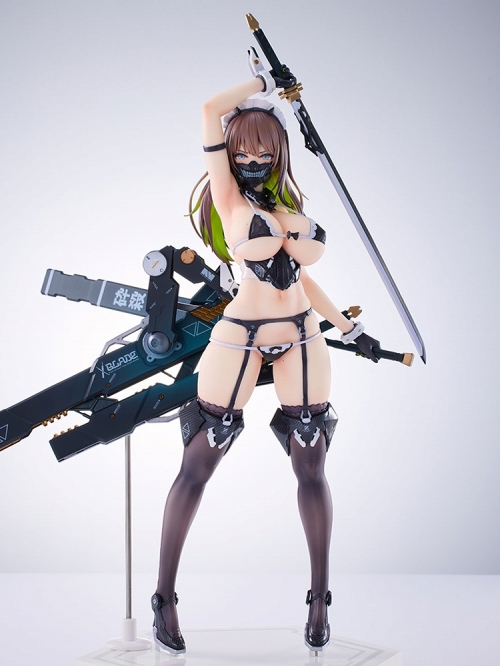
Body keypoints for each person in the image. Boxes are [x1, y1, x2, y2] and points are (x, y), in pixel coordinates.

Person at [150, 69, 380, 655]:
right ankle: (164, 598)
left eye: (264, 152)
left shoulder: (288, 202)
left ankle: (320, 598)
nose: (252, 160)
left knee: (312, 465)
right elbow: (210, 108)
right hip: (240, 335)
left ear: (279, 153)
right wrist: (261, 81)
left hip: (302, 333)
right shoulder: (227, 195)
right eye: (243, 151)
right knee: (199, 462)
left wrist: (350, 327)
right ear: (230, 152)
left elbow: (302, 278)